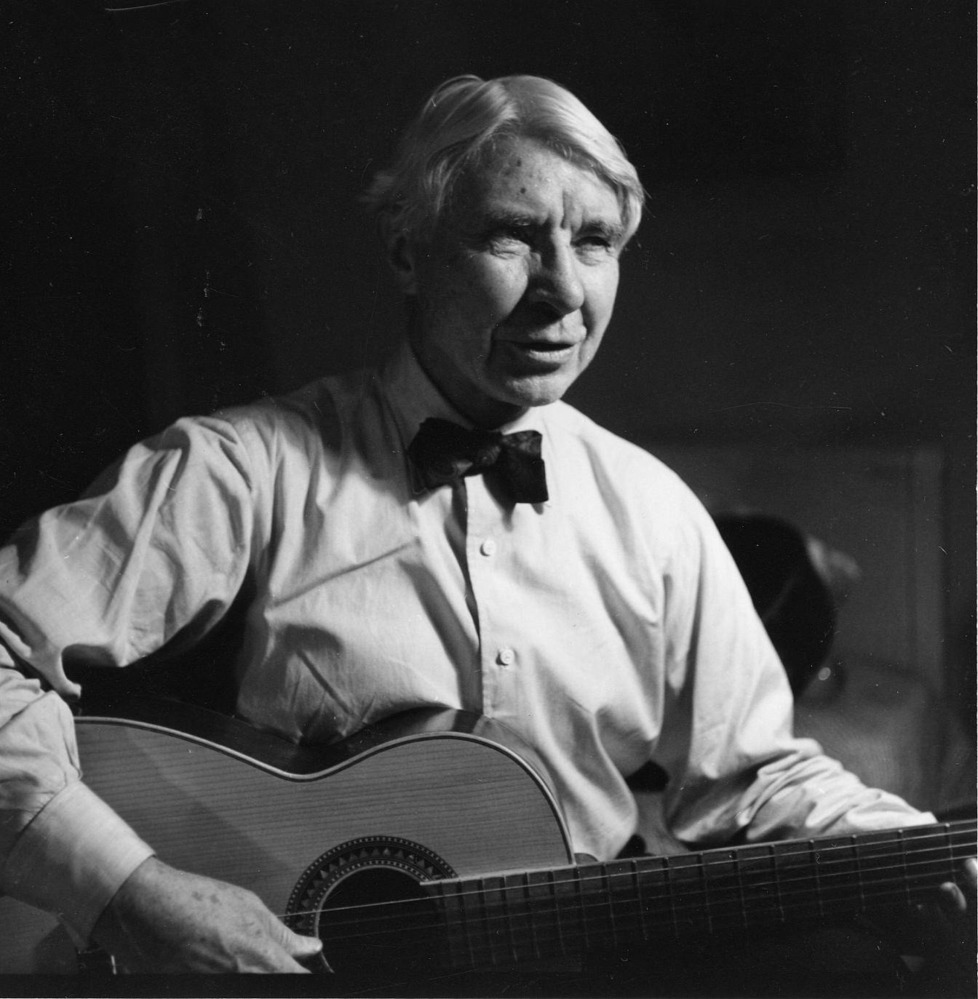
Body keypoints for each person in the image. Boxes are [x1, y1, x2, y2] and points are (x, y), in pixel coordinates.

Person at [0, 74, 972, 985]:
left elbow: (755, 775)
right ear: (406, 251)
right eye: (514, 237)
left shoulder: (653, 508)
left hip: (589, 968)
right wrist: (131, 891)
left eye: (594, 243)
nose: (564, 291)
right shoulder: (236, 471)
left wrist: (908, 847)